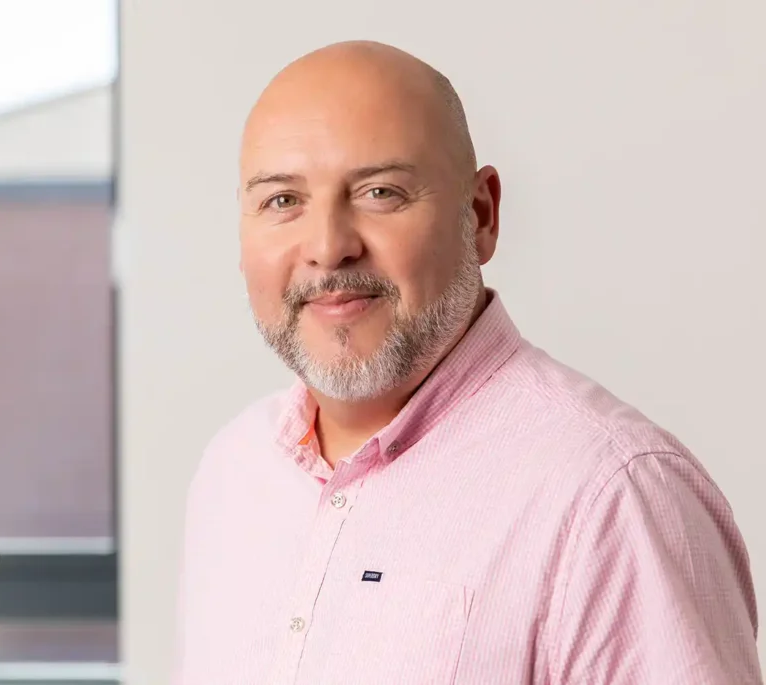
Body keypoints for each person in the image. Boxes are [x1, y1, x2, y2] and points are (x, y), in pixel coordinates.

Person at [172, 40, 762, 684]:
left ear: (480, 216)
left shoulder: (613, 496)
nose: (329, 247)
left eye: (379, 192)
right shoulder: (233, 472)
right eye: (282, 201)